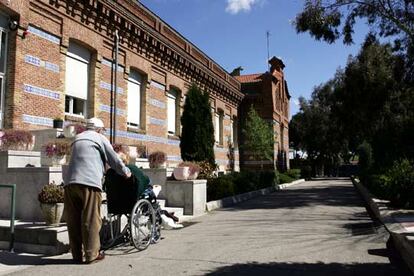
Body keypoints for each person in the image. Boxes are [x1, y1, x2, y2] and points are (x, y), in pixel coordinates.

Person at [63, 117, 131, 264]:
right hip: (89, 183)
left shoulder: (77, 138)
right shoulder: (100, 138)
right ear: (100, 130)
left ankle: (76, 255)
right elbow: (114, 160)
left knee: (73, 220)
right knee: (91, 219)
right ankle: (91, 254)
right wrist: (126, 172)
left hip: (70, 183)